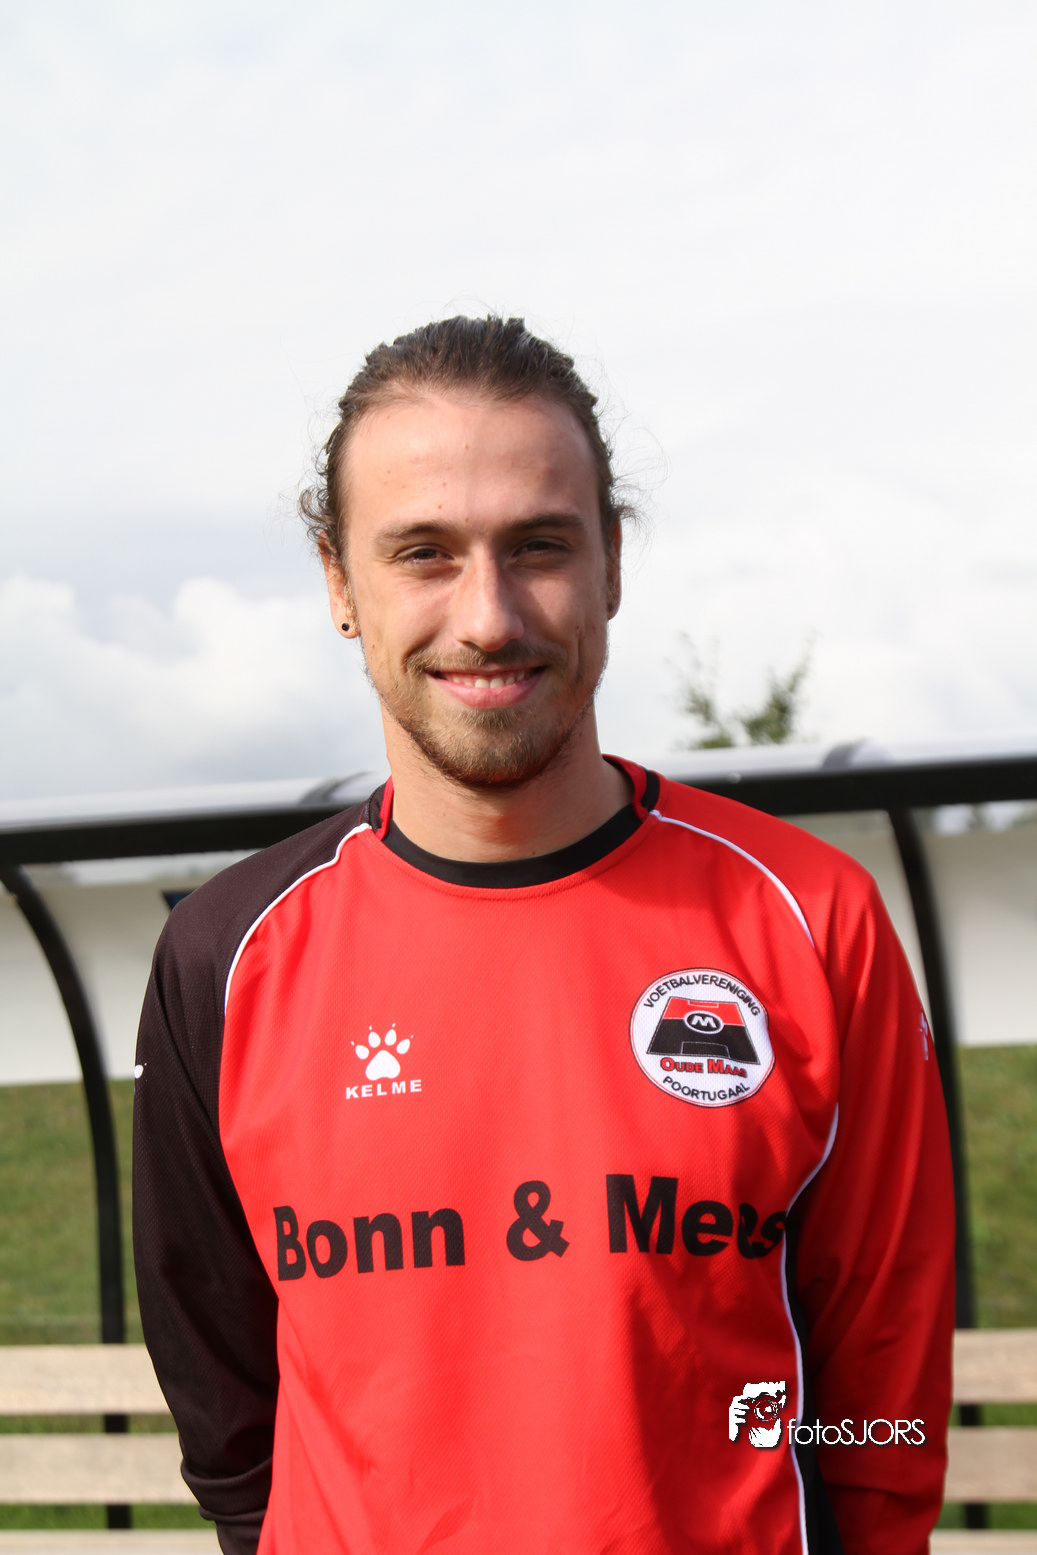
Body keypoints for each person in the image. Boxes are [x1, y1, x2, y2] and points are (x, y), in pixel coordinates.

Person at [133, 316, 955, 1555]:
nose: (487, 616)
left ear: (611, 562)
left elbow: (879, 1396)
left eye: (538, 546)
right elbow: (227, 1408)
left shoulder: (809, 916)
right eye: (422, 552)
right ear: (338, 582)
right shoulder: (225, 956)